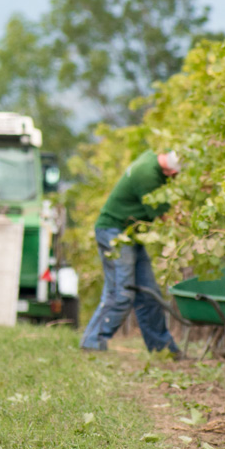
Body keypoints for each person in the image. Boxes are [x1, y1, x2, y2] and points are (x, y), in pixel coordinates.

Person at [79, 148, 188, 358]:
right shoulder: (147, 175)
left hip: (131, 235)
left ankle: (163, 349)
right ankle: (92, 341)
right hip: (114, 232)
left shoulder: (151, 158)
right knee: (121, 292)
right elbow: (166, 216)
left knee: (148, 293)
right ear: (172, 173)